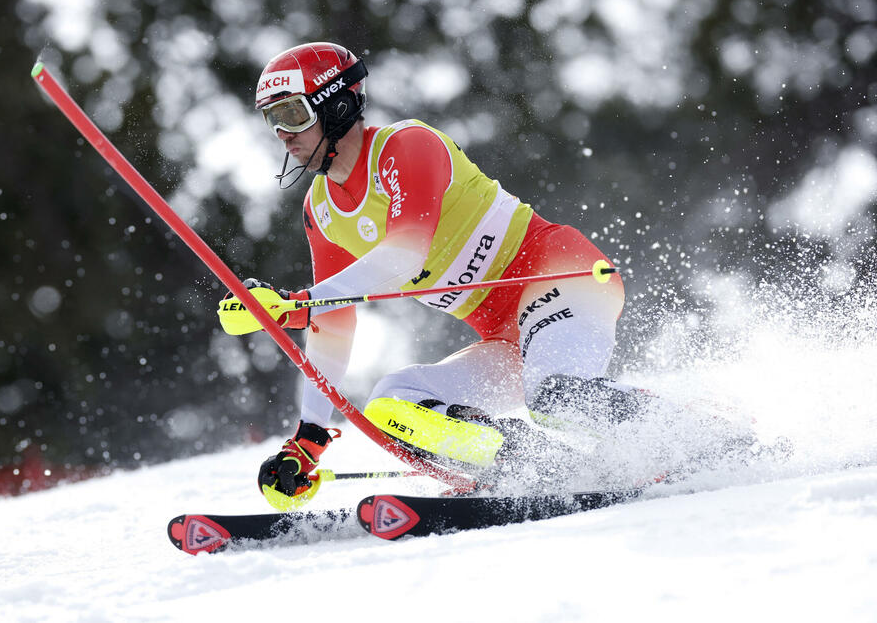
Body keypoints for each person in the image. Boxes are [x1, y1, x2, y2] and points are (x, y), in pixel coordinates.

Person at [218, 42, 634, 508]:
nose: (282, 134)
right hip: (506, 340)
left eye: (293, 114)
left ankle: (688, 434)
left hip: (564, 278)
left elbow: (405, 254)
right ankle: (535, 469)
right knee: (394, 404)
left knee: (557, 398)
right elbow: (332, 322)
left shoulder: (406, 145)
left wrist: (297, 303)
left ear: (337, 105)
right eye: (272, 120)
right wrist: (308, 439)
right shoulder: (321, 210)